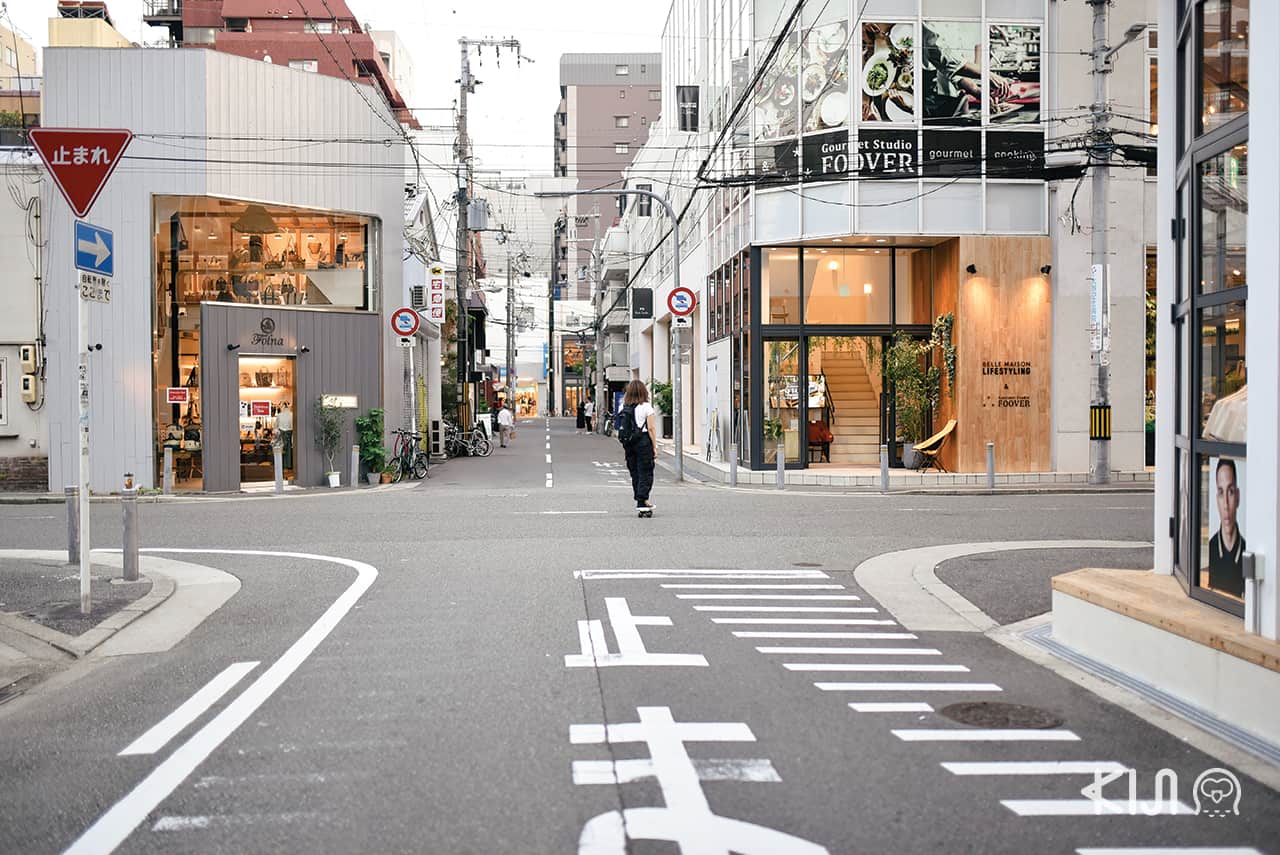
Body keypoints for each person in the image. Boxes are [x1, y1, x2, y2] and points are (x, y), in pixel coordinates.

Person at [1207, 458, 1245, 598]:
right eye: (1221, 492)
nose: (1226, 505)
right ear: (1216, 498)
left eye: (1230, 491)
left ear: (1238, 496)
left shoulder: (1248, 550)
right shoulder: (1211, 547)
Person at [618, 379, 657, 517]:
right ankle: (642, 501)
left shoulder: (623, 406)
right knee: (645, 472)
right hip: (643, 442)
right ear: (643, 392)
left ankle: (641, 499)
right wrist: (654, 446)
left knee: (634, 472)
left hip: (628, 443)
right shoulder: (646, 406)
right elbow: (651, 428)